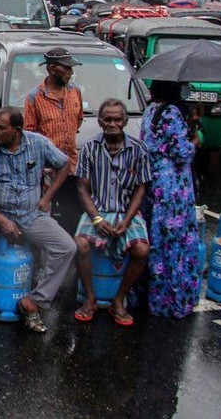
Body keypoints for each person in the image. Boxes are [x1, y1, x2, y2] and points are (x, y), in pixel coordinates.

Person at [0, 107, 76, 333]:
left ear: (17, 130)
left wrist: (48, 197)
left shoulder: (38, 143)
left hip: (30, 213)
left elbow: (64, 164)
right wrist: (1, 220)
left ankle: (36, 301)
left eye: (1, 128)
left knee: (66, 247)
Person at [74, 99, 152, 327]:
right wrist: (96, 218)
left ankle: (118, 300)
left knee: (141, 250)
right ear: (99, 121)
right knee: (80, 245)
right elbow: (82, 188)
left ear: (125, 121)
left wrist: (127, 221)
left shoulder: (139, 149)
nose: (112, 124)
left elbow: (141, 188)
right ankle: (90, 298)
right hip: (97, 209)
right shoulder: (89, 147)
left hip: (126, 212)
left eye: (117, 119)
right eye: (107, 119)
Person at [140, 81, 201, 318]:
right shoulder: (172, 112)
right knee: (173, 243)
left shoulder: (150, 109)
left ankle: (149, 295)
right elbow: (181, 152)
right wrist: (195, 140)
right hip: (172, 186)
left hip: (153, 181)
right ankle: (169, 300)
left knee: (156, 238)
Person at [23, 47, 84, 232]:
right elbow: (29, 135)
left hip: (72, 167)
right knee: (46, 218)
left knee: (71, 216)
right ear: (52, 69)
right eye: (67, 68)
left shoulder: (75, 92)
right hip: (48, 171)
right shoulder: (35, 97)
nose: (71, 72)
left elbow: (78, 120)